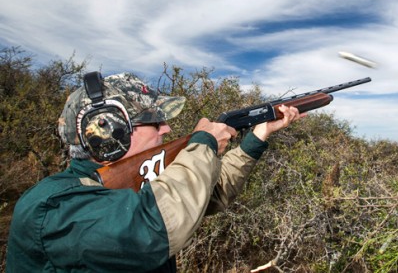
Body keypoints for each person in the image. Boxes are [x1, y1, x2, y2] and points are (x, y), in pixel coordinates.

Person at [6, 72, 302, 272]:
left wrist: (258, 136)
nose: (167, 128)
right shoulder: (51, 207)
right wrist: (204, 144)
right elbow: (156, 227)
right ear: (108, 132)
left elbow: (209, 193)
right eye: (153, 121)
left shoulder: (131, 182)